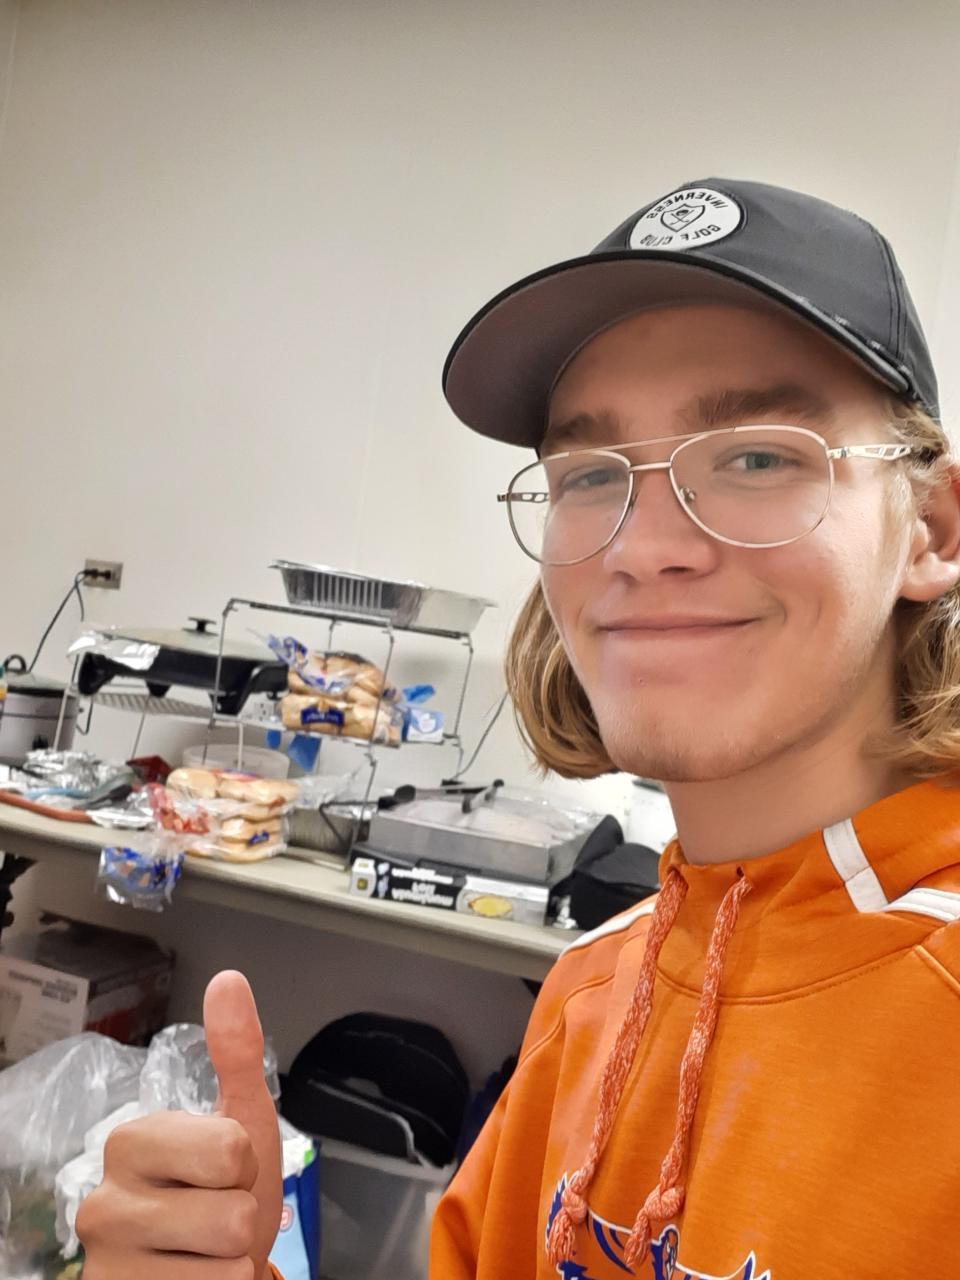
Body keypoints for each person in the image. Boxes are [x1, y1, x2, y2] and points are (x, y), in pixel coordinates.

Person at [77, 177, 960, 1280]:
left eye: (756, 456)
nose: (642, 546)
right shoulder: (592, 989)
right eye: (590, 473)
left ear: (931, 527)